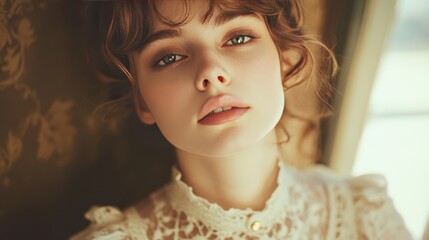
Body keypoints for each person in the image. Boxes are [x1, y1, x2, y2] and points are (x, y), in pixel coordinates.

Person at [72, 0, 411, 239]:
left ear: (286, 60)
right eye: (170, 57)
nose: (211, 72)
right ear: (142, 100)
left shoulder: (363, 215)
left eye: (237, 38)